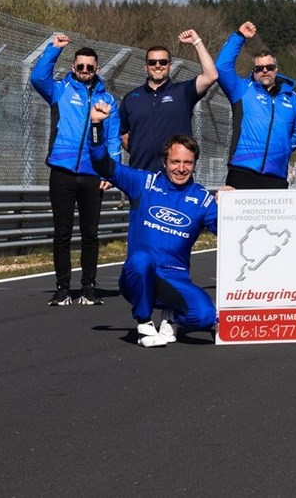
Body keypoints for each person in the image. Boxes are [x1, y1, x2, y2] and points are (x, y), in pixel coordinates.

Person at [89, 103, 223, 348]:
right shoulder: (143, 183)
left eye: (187, 163)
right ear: (164, 162)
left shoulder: (203, 199)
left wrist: (231, 205)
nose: (181, 168)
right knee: (141, 260)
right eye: (175, 162)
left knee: (204, 316)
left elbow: (230, 233)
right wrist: (96, 125)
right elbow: (102, 164)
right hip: (138, 277)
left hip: (176, 279)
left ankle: (171, 315)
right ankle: (144, 323)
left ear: (195, 164)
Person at [29, 34, 121, 307]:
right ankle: (62, 288)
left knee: (91, 234)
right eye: (79, 66)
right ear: (73, 67)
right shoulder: (59, 90)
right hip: (62, 172)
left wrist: (109, 173)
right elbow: (37, 78)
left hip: (93, 175)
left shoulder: (108, 100)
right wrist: (52, 50)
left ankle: (89, 288)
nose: (84, 71)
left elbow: (114, 138)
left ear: (97, 69)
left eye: (89, 67)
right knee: (62, 233)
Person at [214, 21, 296, 189]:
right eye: (259, 68)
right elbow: (221, 67)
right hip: (242, 170)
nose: (265, 70)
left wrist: (282, 150)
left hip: (276, 174)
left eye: (269, 67)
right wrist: (239, 36)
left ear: (276, 69)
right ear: (253, 71)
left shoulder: (294, 99)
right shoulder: (242, 90)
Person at [118, 29, 217, 173]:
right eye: (152, 62)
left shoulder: (183, 92)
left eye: (163, 62)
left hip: (177, 174)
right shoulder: (131, 98)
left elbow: (211, 75)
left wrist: (196, 42)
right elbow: (123, 134)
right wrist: (140, 150)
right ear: (145, 67)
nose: (157, 65)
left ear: (170, 65)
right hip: (141, 175)